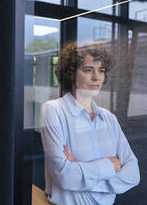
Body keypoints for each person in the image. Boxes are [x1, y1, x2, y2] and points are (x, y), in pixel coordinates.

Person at [40, 42, 140, 205]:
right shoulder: (53, 110)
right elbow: (65, 176)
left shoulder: (109, 118)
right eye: (88, 70)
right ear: (71, 73)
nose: (97, 77)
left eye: (101, 70)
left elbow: (134, 174)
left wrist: (81, 171)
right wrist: (111, 164)